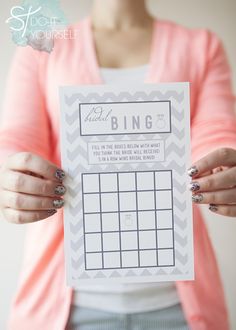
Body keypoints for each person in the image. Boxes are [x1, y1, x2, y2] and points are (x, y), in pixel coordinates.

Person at [1, 0, 236, 329]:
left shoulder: (201, 45)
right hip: (67, 307)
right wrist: (10, 177)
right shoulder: (42, 46)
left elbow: (217, 132)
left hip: (177, 307)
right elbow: (17, 140)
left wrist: (222, 169)